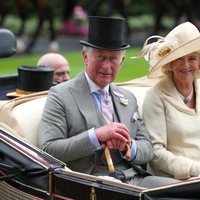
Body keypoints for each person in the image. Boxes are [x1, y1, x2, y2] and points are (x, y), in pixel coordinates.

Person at [38, 16, 179, 188]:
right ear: (85, 57)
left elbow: (147, 148)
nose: (107, 66)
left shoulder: (127, 97)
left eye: (113, 59)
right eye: (100, 57)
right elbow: (49, 150)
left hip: (134, 179)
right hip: (90, 184)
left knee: (186, 192)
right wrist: (96, 136)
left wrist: (128, 146)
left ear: (121, 62)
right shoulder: (60, 95)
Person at [139, 21, 200, 180]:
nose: (186, 65)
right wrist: (194, 169)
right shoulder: (156, 96)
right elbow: (156, 152)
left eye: (192, 58)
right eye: (179, 58)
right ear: (170, 63)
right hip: (174, 180)